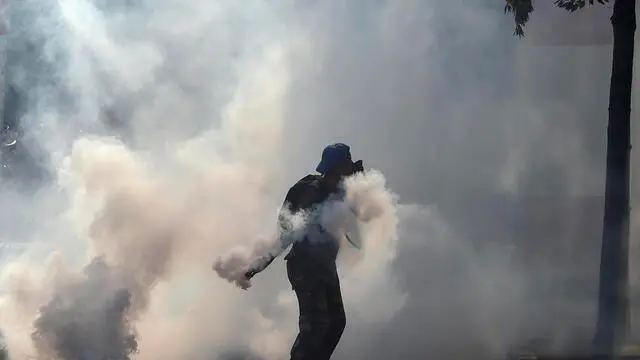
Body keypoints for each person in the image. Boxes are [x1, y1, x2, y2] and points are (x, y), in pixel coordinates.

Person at [244, 143, 364, 360]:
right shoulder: (307, 190)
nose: (350, 167)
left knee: (336, 323)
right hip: (306, 266)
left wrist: (359, 188)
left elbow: (357, 228)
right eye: (347, 163)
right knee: (315, 327)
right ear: (337, 167)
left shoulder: (342, 193)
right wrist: (259, 264)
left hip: (325, 266)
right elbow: (286, 233)